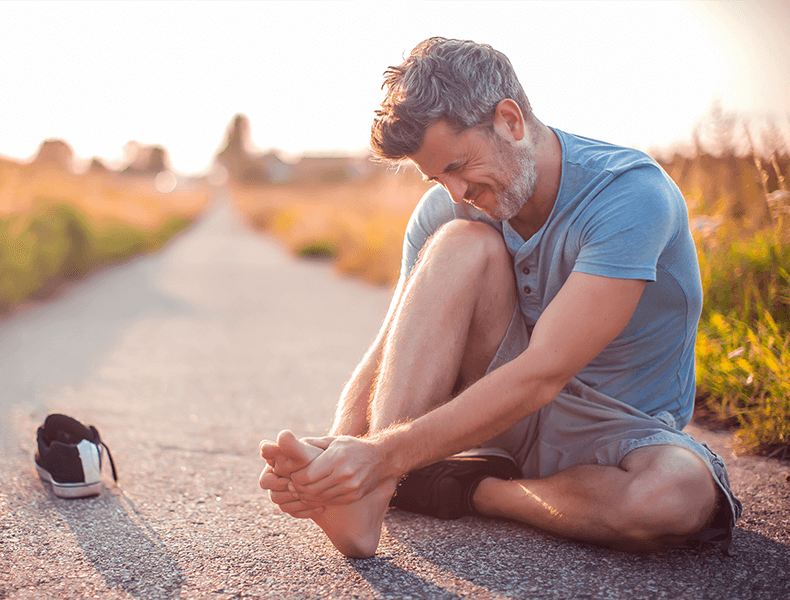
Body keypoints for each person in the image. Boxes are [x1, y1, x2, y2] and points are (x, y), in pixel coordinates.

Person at [259, 37, 742, 559]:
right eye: (437, 175)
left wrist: (381, 454)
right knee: (460, 242)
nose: (455, 191)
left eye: (460, 165)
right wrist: (337, 463)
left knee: (674, 498)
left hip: (616, 433)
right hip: (493, 420)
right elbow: (389, 350)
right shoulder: (447, 211)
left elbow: (543, 372)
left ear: (511, 121)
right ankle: (372, 497)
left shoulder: (629, 195)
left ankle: (467, 489)